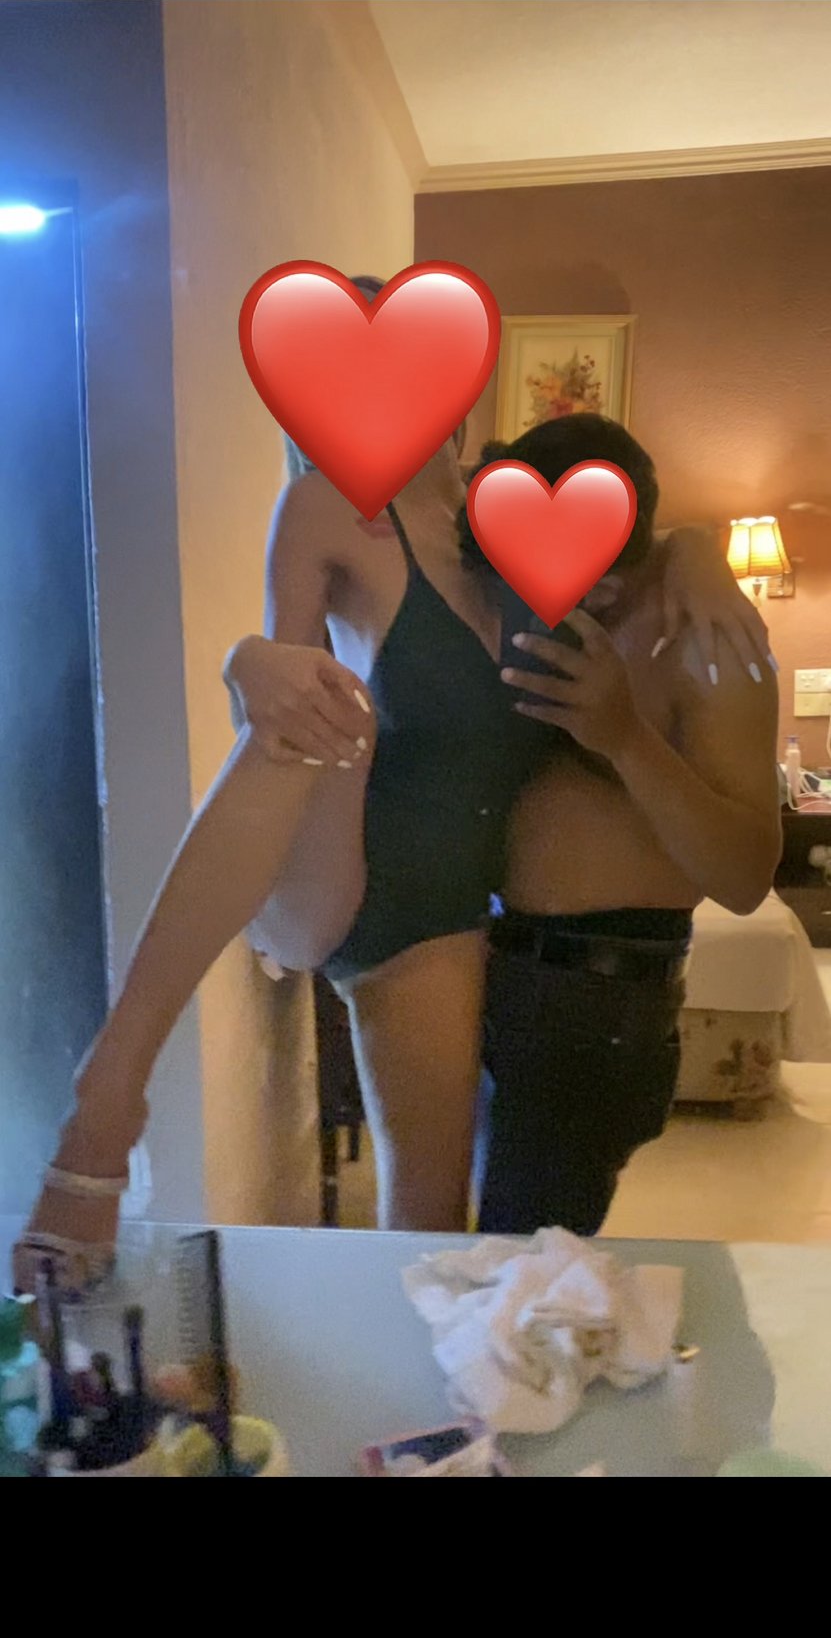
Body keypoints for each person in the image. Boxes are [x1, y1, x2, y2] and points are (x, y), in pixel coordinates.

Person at [13, 281, 773, 1290]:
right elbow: (280, 694)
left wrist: (696, 551)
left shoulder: (506, 526)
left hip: (453, 911)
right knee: (328, 710)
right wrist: (247, 661)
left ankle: (426, 1388)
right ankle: (110, 1092)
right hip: (348, 880)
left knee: (428, 1219)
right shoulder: (328, 507)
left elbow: (638, 538)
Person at [455, 416, 782, 1235]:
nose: (582, 592)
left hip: (594, 999)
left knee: (525, 1270)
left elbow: (745, 878)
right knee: (481, 1255)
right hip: (487, 964)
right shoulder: (510, 605)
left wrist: (626, 737)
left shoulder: (707, 640)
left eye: (606, 574)